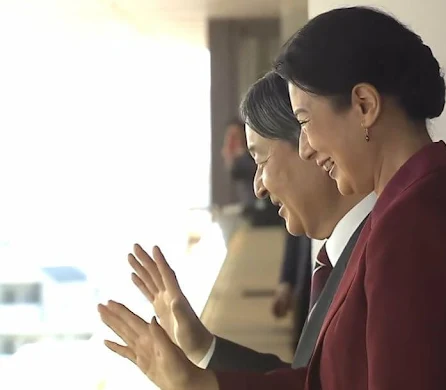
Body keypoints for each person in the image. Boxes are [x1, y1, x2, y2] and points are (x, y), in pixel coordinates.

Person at [100, 6, 446, 390]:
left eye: (305, 122)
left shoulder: (412, 223)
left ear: (364, 105)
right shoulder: (411, 207)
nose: (307, 147)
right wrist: (199, 380)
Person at [98, 71, 375, 376]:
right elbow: (312, 382)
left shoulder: (386, 256)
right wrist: (202, 348)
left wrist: (194, 384)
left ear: (310, 142)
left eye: (261, 161)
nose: (259, 187)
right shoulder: (346, 253)